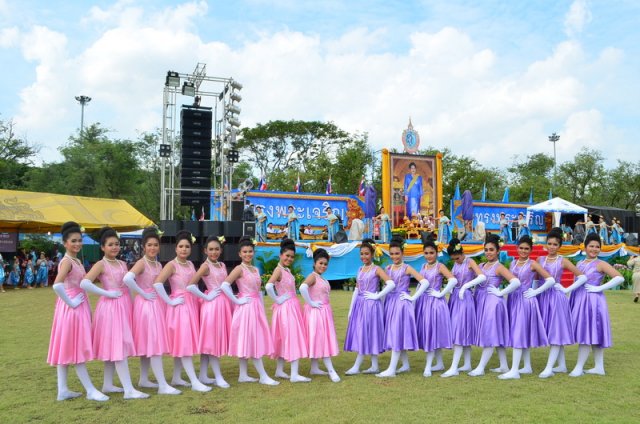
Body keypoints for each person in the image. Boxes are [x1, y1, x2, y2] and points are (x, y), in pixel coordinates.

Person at [82, 227, 149, 399]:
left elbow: (127, 285)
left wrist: (133, 304)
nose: (114, 247)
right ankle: (128, 389)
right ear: (102, 247)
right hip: (110, 308)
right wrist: (107, 293)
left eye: (116, 244)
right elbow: (85, 283)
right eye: (110, 244)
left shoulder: (122, 264)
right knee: (117, 346)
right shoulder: (100, 264)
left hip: (124, 305)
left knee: (116, 345)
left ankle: (108, 383)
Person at [47, 221, 108, 402]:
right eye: (73, 241)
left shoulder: (76, 260)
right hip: (71, 308)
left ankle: (63, 389)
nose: (77, 244)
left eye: (79, 240)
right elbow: (57, 285)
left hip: (75, 306)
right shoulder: (67, 261)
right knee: (75, 347)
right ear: (65, 243)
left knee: (66, 347)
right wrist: (71, 303)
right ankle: (90, 389)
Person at [123, 227, 180, 395]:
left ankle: (144, 378)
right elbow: (127, 278)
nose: (153, 248)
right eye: (149, 245)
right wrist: (142, 292)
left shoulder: (157, 263)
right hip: (146, 305)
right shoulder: (142, 262)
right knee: (153, 342)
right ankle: (162, 384)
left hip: (155, 304)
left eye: (156, 245)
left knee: (150, 342)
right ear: (143, 246)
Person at [153, 230, 212, 392]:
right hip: (179, 308)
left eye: (187, 246)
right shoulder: (171, 265)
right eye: (181, 246)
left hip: (191, 305)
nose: (184, 249)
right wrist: (170, 301)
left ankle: (177, 377)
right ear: (175, 248)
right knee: (184, 342)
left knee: (183, 342)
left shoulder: (191, 264)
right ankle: (194, 381)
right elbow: (158, 283)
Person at [221, 236, 279, 385]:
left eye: (250, 251)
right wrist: (237, 300)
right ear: (240, 254)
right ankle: (263, 375)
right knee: (252, 338)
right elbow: (224, 285)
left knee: (249, 338)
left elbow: (257, 289)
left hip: (255, 306)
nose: (248, 254)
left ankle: (243, 374)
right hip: (245, 308)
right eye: (245, 252)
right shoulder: (239, 268)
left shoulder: (255, 269)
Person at [568, 233, 624, 377]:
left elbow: (619, 278)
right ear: (585, 247)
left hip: (593, 302)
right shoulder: (579, 263)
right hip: (580, 299)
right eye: (591, 246)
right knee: (592, 332)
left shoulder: (601, 263)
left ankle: (579, 367)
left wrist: (599, 288)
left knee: (587, 332)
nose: (594, 249)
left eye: (597, 246)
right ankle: (599, 367)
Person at [375, 236, 429, 378]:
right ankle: (405, 365)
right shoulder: (388, 268)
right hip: (390, 302)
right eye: (392, 254)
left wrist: (412, 297)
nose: (394, 256)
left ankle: (392, 369)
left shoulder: (407, 268)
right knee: (396, 332)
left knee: (396, 333)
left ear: (402, 253)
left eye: (397, 253)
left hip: (401, 303)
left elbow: (424, 282)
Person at [469, 234, 521, 377]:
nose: (488, 252)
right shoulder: (481, 266)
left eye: (491, 249)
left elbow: (516, 282)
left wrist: (500, 292)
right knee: (496, 333)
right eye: (486, 250)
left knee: (490, 333)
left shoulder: (498, 267)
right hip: (481, 300)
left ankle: (480, 367)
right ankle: (504, 365)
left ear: (498, 251)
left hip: (493, 302)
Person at [499, 235, 550, 380]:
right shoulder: (513, 263)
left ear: (531, 250)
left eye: (526, 248)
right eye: (521, 248)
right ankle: (526, 366)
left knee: (519, 333)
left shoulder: (533, 264)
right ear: (516, 248)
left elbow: (550, 280)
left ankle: (514, 370)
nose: (523, 251)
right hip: (513, 299)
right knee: (521, 332)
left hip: (525, 300)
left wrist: (535, 291)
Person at [537, 228, 586, 378]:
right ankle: (562, 365)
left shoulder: (562, 261)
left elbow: (582, 277)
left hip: (556, 299)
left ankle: (549, 367)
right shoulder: (540, 260)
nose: (551, 247)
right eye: (549, 244)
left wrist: (567, 289)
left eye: (555, 244)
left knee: (556, 331)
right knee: (550, 331)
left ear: (559, 246)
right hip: (542, 297)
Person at [187, 235, 233, 389]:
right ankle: (218, 376)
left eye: (217, 249)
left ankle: (203, 375)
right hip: (212, 307)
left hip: (222, 305)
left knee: (210, 340)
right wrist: (206, 297)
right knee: (212, 340)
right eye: (211, 249)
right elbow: (191, 285)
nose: (214, 252)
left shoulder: (222, 265)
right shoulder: (205, 266)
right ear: (205, 250)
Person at [344, 239, 395, 375]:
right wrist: (351, 308)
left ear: (372, 254)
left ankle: (357, 365)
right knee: (367, 332)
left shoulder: (376, 269)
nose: (364, 257)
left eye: (366, 254)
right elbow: (356, 289)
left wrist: (377, 296)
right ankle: (374, 366)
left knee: (366, 332)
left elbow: (390, 284)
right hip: (360, 305)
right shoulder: (360, 269)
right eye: (361, 254)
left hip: (372, 306)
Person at [265, 238, 310, 383]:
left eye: (292, 256)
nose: (289, 259)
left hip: (289, 306)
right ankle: (294, 374)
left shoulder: (286, 270)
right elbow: (268, 286)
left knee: (284, 338)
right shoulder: (279, 270)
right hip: (287, 308)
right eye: (287, 256)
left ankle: (279, 370)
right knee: (292, 337)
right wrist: (277, 299)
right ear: (281, 255)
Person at [441, 239, 486, 378]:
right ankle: (467, 363)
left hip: (465, 298)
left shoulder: (470, 262)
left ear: (463, 252)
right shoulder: (456, 263)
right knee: (460, 329)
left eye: (458, 257)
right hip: (455, 297)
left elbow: (482, 277)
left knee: (460, 329)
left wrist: (466, 286)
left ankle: (454, 367)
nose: (457, 260)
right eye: (454, 259)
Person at [416, 237, 458, 377]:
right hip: (424, 302)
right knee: (431, 332)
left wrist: (441, 293)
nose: (429, 255)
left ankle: (428, 366)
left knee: (431, 333)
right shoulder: (423, 267)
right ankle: (439, 363)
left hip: (435, 303)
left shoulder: (440, 266)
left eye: (431, 253)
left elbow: (453, 280)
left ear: (436, 253)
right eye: (426, 253)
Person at [299, 248, 341, 382]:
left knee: (319, 338)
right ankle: (330, 370)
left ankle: (315, 366)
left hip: (323, 311)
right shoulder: (312, 276)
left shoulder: (320, 277)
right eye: (320, 263)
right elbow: (302, 287)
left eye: (325, 264)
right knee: (322, 339)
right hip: (316, 312)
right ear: (314, 263)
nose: (323, 266)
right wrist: (310, 303)